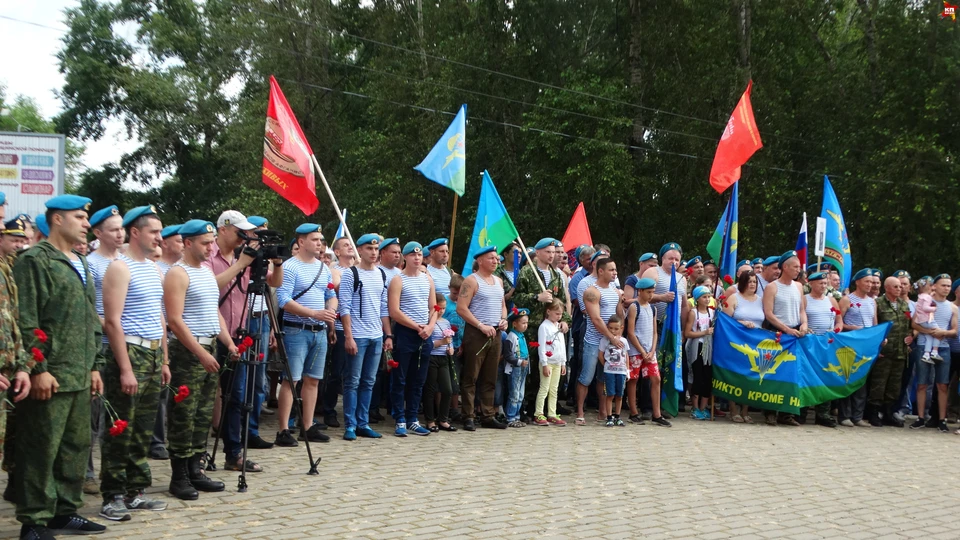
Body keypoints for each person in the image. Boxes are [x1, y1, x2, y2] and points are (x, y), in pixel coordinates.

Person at [14, 195, 107, 538]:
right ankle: (34, 521)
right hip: (50, 374)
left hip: (79, 373)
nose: (86, 223)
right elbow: (27, 318)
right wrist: (37, 368)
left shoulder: (80, 261)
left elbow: (89, 318)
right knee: (40, 448)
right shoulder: (34, 260)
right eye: (80, 217)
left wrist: (95, 365)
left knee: (74, 447)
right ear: (57, 220)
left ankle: (64, 511)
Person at [98, 205, 169, 521]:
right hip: (131, 353)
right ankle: (112, 495)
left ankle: (135, 491)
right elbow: (112, 322)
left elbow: (160, 316)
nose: (160, 238)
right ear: (135, 232)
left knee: (142, 428)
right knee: (120, 428)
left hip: (153, 354)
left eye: (161, 231)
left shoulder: (153, 268)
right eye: (154, 232)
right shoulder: (119, 268)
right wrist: (125, 368)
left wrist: (165, 359)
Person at [162, 220, 236, 500]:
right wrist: (201, 353)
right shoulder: (178, 274)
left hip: (209, 346)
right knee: (184, 415)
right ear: (188, 243)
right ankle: (179, 475)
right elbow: (175, 320)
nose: (210, 247)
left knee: (203, 412)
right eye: (205, 243)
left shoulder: (205, 272)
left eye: (211, 241)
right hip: (188, 352)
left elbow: (212, 311)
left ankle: (195, 468)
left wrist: (227, 341)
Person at [206, 210, 283, 470]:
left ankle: (233, 453)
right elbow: (208, 287)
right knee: (208, 395)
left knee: (237, 395)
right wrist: (241, 265)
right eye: (241, 231)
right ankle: (196, 457)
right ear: (224, 229)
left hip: (238, 334)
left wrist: (277, 262)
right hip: (210, 335)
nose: (245, 237)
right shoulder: (209, 255)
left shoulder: (244, 257)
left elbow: (275, 283)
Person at [275, 224, 338, 446]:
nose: (320, 243)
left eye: (321, 239)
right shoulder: (290, 267)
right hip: (295, 329)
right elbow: (283, 300)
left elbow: (331, 294)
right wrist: (314, 313)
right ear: (301, 242)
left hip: (319, 331)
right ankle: (283, 429)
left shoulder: (323, 269)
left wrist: (330, 309)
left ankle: (308, 426)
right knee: (291, 380)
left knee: (313, 380)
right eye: (314, 239)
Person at [83, 204, 124, 495]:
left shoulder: (126, 261)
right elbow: (86, 308)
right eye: (113, 229)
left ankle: (117, 469)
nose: (120, 234)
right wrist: (110, 322)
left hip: (123, 344)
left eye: (122, 228)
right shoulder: (90, 264)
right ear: (98, 233)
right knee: (93, 412)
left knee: (116, 411)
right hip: (100, 342)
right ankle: (87, 471)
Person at [338, 234, 391, 441]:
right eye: (369, 248)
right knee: (353, 381)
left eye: (376, 249)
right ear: (359, 250)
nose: (373, 252)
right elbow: (344, 306)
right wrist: (348, 337)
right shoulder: (351, 274)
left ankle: (363, 422)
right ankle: (350, 425)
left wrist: (388, 335)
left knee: (369, 381)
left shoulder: (381, 274)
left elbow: (383, 307)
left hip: (376, 335)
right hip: (358, 335)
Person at [513, 238, 571, 421]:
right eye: (547, 251)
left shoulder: (556, 275)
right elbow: (517, 297)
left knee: (551, 370)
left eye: (553, 252)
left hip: (552, 331)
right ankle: (529, 407)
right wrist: (536, 297)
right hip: (532, 328)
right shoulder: (527, 272)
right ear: (537, 253)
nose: (551, 255)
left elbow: (561, 301)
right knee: (532, 367)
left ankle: (548, 408)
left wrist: (565, 321)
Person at [388, 242, 437, 436]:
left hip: (425, 333)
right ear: (405, 258)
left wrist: (431, 325)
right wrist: (417, 326)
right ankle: (399, 418)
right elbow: (394, 310)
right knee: (400, 378)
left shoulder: (427, 279)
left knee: (418, 379)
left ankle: (412, 418)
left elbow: (434, 307)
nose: (417, 258)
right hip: (407, 332)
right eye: (412, 255)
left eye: (419, 255)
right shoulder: (398, 280)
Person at [457, 246, 508, 431]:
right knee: (471, 375)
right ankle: (468, 415)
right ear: (480, 261)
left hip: (495, 333)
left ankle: (488, 414)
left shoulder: (499, 281)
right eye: (491, 258)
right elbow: (461, 308)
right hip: (477, 333)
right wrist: (480, 325)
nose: (495, 261)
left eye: (497, 258)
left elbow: (502, 306)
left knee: (490, 376)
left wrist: (503, 319)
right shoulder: (471, 281)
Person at [761, 251, 807, 426]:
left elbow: (802, 309)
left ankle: (787, 413)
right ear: (785, 267)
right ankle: (770, 412)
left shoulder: (799, 287)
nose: (798, 270)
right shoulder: (772, 287)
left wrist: (803, 325)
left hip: (795, 333)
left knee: (792, 374)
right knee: (775, 372)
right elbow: (769, 313)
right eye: (795, 266)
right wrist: (786, 329)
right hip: (778, 333)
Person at [911, 274, 958, 432]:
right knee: (922, 384)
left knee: (942, 385)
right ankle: (920, 418)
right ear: (934, 286)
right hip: (924, 346)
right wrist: (928, 331)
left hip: (943, 348)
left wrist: (942, 332)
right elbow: (914, 324)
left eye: (948, 286)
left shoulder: (952, 307)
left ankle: (942, 419)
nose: (946, 288)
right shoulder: (924, 301)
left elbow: (954, 331)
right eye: (943, 285)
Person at [577, 257, 622, 425]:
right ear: (601, 271)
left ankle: (604, 412)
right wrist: (610, 337)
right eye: (611, 270)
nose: (614, 273)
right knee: (587, 377)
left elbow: (618, 317)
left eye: (615, 270)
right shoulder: (592, 291)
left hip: (609, 342)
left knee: (604, 377)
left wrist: (617, 335)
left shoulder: (614, 291)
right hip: (593, 340)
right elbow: (595, 319)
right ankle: (580, 411)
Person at [722, 270, 765, 424]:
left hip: (755, 343)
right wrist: (741, 323)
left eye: (754, 281)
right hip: (738, 341)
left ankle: (745, 410)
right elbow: (725, 321)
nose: (752, 284)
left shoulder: (760, 300)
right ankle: (733, 409)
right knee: (736, 375)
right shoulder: (734, 298)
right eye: (749, 281)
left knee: (750, 375)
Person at [625, 278, 669, 426]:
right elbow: (631, 332)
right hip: (635, 351)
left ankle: (656, 414)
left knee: (655, 379)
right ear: (640, 291)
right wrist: (642, 351)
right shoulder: (634, 307)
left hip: (649, 351)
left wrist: (652, 350)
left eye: (653, 292)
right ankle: (633, 412)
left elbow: (655, 332)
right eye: (648, 292)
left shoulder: (653, 308)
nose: (651, 295)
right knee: (633, 379)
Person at [837, 268, 878, 428]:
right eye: (866, 281)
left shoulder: (872, 301)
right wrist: (851, 327)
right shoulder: (847, 300)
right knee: (848, 377)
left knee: (862, 380)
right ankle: (844, 415)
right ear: (858, 282)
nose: (870, 285)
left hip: (866, 346)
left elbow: (874, 323)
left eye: (871, 282)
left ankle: (858, 415)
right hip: (850, 344)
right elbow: (839, 322)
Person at [871, 276, 911, 428]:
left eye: (900, 286)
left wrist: (911, 336)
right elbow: (875, 327)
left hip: (900, 352)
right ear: (887, 288)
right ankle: (874, 412)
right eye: (896, 287)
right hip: (885, 352)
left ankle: (888, 412)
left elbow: (909, 324)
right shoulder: (878, 303)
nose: (899, 289)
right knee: (879, 383)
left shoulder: (904, 304)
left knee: (894, 385)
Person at [802, 272, 842, 427]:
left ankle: (823, 413)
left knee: (827, 376)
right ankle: (803, 412)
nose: (824, 286)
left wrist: (836, 331)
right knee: (808, 377)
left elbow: (839, 321)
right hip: (811, 344)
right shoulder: (805, 300)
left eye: (826, 283)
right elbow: (801, 318)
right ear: (811, 283)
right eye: (820, 283)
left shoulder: (831, 300)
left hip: (827, 344)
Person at [422, 292, 456, 433]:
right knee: (430, 390)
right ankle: (430, 420)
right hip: (432, 357)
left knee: (447, 389)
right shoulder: (429, 322)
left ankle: (443, 419)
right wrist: (441, 342)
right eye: (438, 308)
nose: (441, 311)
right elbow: (427, 343)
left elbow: (450, 340)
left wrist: (451, 348)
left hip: (443, 358)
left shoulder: (446, 322)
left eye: (443, 308)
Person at [533, 299, 567, 426]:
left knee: (554, 389)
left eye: (560, 314)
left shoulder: (558, 326)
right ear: (548, 311)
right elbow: (541, 347)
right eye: (557, 313)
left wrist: (563, 362)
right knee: (544, 388)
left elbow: (562, 345)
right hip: (547, 363)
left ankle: (552, 413)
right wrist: (544, 364)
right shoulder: (544, 327)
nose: (559, 316)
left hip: (557, 363)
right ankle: (538, 413)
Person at [685, 286, 715, 420]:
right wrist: (704, 332)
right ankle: (695, 407)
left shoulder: (712, 312)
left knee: (707, 377)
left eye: (709, 296)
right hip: (697, 347)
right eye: (704, 297)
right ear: (697, 299)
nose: (707, 299)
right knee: (698, 376)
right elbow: (687, 333)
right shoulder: (693, 313)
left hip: (709, 348)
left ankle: (703, 407)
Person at [598, 315, 629, 427]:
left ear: (621, 328)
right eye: (610, 328)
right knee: (610, 394)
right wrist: (606, 365)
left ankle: (618, 416)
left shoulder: (624, 341)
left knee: (619, 395)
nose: (613, 331)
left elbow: (626, 355)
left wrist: (627, 370)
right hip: (609, 372)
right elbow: (600, 355)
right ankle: (609, 417)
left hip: (621, 371)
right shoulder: (605, 340)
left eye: (616, 329)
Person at [503, 308, 531, 428]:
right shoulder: (511, 336)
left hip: (523, 368)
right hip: (515, 368)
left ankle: (517, 416)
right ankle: (510, 417)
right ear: (514, 324)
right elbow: (508, 355)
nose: (525, 326)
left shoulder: (522, 335)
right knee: (514, 393)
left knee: (520, 393)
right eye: (523, 323)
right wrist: (519, 362)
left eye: (527, 323)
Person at [912, 277, 941, 363]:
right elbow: (925, 308)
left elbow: (925, 302)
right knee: (938, 333)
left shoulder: (921, 296)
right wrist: (934, 309)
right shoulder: (927, 297)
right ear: (928, 287)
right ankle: (935, 351)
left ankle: (926, 354)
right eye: (931, 285)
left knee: (929, 337)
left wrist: (931, 295)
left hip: (920, 320)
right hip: (927, 319)